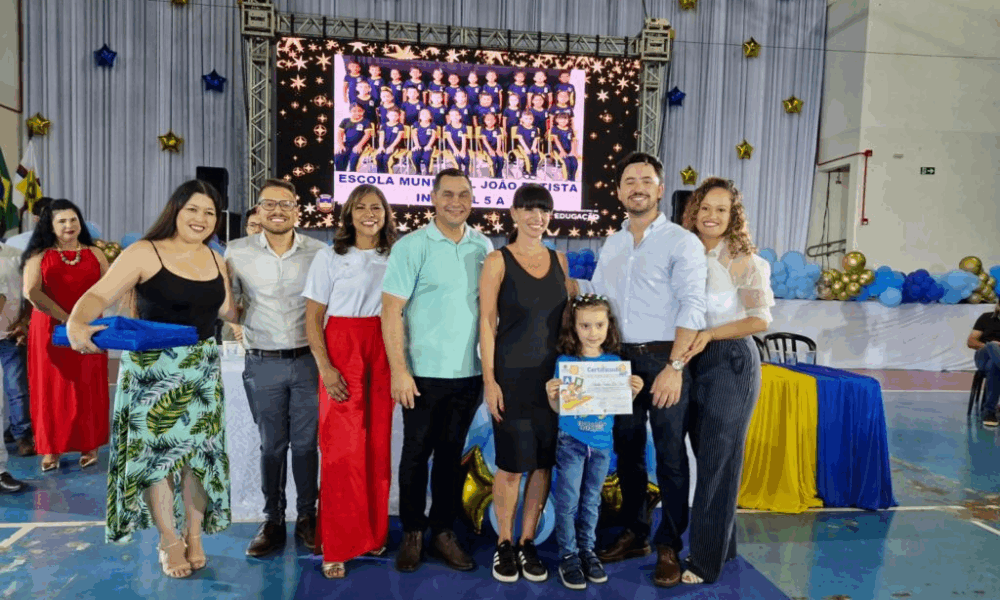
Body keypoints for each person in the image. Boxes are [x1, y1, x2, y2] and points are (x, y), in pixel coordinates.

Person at [66, 180, 238, 578]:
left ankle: (193, 533)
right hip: (152, 372)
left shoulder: (216, 258)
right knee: (156, 459)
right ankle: (169, 539)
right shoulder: (145, 251)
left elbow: (228, 310)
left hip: (202, 370)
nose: (201, 219)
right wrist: (76, 321)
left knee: (199, 459)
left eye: (210, 212)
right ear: (175, 210)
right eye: (193, 209)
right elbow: (98, 295)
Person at [591, 152, 707, 589]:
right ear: (619, 191)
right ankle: (636, 533)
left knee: (671, 454)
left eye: (646, 180)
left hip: (665, 357)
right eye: (629, 180)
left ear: (660, 189)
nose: (637, 187)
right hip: (618, 359)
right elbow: (599, 298)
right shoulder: (613, 243)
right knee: (627, 449)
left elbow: (693, 305)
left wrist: (675, 366)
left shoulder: (681, 242)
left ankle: (669, 545)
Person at [381, 168, 493, 574]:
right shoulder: (411, 246)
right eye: (448, 194)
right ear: (433, 198)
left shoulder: (483, 245)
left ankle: (443, 531)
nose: (456, 202)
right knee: (415, 456)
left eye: (464, 194)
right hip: (421, 375)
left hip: (468, 375)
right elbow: (390, 311)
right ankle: (413, 532)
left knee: (450, 457)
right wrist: (400, 371)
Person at [676, 177, 773, 584]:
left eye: (721, 209)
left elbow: (760, 320)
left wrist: (711, 335)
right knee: (705, 455)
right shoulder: (684, 252)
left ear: (733, 216)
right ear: (693, 211)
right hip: (691, 357)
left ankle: (704, 562)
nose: (711, 216)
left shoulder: (744, 260)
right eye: (705, 208)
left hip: (730, 360)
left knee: (719, 460)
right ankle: (723, 544)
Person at [479, 184, 577, 584]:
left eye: (544, 211)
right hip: (511, 376)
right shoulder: (497, 260)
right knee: (510, 466)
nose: (538, 218)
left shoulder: (560, 260)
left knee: (541, 464)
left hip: (553, 381)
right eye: (530, 210)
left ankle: (527, 541)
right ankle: (504, 542)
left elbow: (570, 322)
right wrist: (489, 380)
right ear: (515, 214)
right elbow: (487, 322)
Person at [225, 179, 327, 559]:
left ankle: (307, 517)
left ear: (297, 210)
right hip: (262, 362)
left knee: (306, 445)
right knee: (271, 445)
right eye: (269, 204)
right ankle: (272, 520)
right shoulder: (237, 252)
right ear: (258, 209)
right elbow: (230, 305)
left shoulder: (319, 253)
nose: (278, 211)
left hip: (307, 362)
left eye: (286, 204)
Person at [303, 184, 398, 579]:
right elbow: (312, 318)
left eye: (376, 207)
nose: (369, 214)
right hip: (342, 348)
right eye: (360, 207)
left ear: (386, 214)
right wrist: (325, 367)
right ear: (349, 215)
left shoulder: (397, 255)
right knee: (342, 450)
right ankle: (338, 545)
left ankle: (372, 534)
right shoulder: (329, 257)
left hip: (385, 346)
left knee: (377, 447)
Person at [545, 294, 643, 590]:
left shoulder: (614, 363)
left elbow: (618, 403)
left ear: (608, 326)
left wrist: (632, 392)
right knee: (568, 500)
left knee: (591, 501)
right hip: (572, 441)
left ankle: (587, 550)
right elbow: (559, 409)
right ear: (573, 327)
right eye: (585, 325)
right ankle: (568, 555)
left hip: (601, 443)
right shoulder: (566, 363)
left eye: (599, 325)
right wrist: (552, 395)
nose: (592, 332)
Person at [22, 199, 110, 472]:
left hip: (90, 327)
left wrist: (84, 318)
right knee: (51, 389)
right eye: (62, 221)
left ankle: (90, 445)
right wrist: (67, 319)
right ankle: (51, 448)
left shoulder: (96, 254)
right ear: (50, 225)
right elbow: (31, 292)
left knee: (88, 386)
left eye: (73, 220)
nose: (69, 225)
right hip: (50, 329)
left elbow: (110, 288)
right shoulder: (38, 255)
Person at [0, 242, 32, 457]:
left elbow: (30, 294)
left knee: (17, 388)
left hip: (10, 335)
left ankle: (22, 435)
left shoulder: (17, 257)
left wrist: (24, 322)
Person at [968, 300, 1000, 426]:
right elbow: (971, 342)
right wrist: (990, 346)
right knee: (992, 345)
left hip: (994, 362)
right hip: (983, 356)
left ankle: (989, 411)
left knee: (993, 366)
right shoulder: (986, 318)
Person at [336, 103, 373, 172]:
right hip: (347, 144)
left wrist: (359, 145)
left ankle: (352, 173)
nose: (357, 113)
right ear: (350, 111)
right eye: (354, 111)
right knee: (338, 155)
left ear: (363, 111)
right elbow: (340, 134)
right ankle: (340, 173)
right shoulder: (345, 121)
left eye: (360, 111)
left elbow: (367, 135)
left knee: (354, 158)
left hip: (362, 145)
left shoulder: (366, 122)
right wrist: (340, 145)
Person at [550, 113, 579, 181]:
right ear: (557, 120)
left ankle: (572, 179)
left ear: (568, 120)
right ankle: (566, 178)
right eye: (561, 119)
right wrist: (562, 151)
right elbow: (556, 141)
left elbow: (573, 141)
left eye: (565, 119)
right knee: (567, 162)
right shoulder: (555, 129)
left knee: (574, 162)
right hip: (558, 150)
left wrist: (573, 151)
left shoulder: (570, 129)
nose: (563, 121)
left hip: (569, 150)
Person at [411, 109, 438, 176]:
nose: (425, 115)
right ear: (419, 117)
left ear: (430, 117)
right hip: (418, 145)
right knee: (415, 156)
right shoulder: (416, 124)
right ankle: (418, 171)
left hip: (429, 145)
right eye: (422, 114)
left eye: (427, 114)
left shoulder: (432, 125)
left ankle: (428, 171)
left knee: (426, 157)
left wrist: (429, 145)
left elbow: (433, 136)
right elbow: (414, 135)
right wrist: (417, 145)